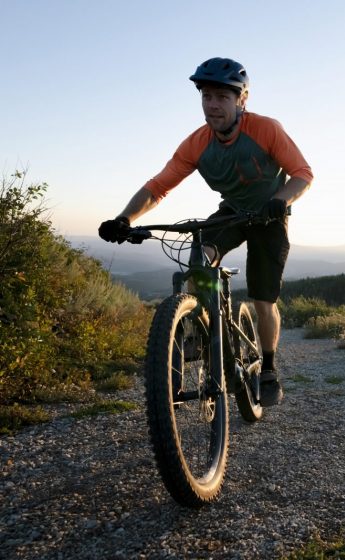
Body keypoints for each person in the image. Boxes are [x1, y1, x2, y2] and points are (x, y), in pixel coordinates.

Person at [98, 57, 313, 406]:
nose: (213, 105)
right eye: (207, 96)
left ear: (242, 100)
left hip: (269, 214)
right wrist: (124, 219)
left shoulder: (267, 129)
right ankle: (201, 325)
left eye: (222, 97)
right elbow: (158, 187)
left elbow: (302, 173)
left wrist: (279, 200)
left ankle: (269, 366)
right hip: (232, 212)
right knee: (201, 255)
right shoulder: (197, 143)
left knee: (263, 298)